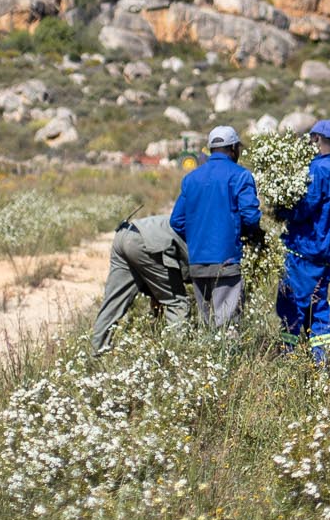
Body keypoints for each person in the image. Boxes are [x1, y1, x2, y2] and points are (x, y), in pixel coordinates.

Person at [276, 118, 330, 365]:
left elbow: (305, 208)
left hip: (306, 251)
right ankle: (325, 362)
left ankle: (287, 361)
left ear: (317, 139)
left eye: (310, 139)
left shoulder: (317, 169)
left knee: (290, 304)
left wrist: (283, 210)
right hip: (329, 254)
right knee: (317, 307)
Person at [170, 124, 263, 328]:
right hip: (226, 261)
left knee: (208, 324)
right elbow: (251, 217)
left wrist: (197, 238)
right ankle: (228, 359)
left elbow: (176, 221)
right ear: (233, 149)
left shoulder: (191, 178)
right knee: (227, 326)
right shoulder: (240, 176)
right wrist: (249, 234)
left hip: (197, 263)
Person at [88, 213, 191, 355]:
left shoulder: (191, 224)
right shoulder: (207, 241)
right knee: (177, 303)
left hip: (125, 234)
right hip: (147, 242)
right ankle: (177, 358)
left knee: (113, 303)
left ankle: (96, 354)